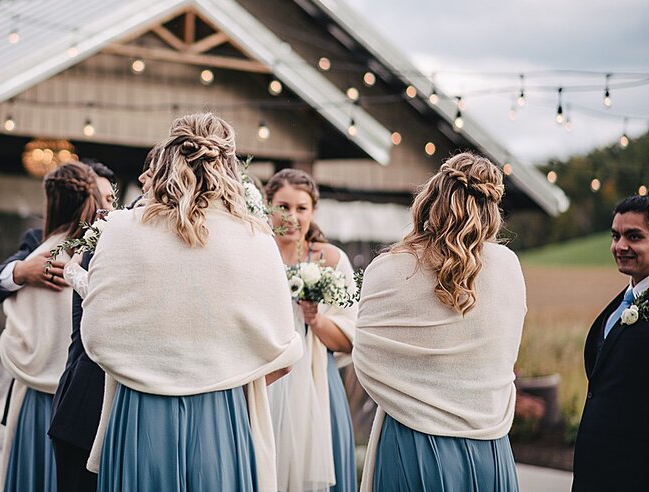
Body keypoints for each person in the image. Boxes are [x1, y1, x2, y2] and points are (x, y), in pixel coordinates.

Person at [81, 113, 302, 492]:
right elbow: (282, 353)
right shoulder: (255, 238)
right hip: (224, 415)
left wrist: (155, 369)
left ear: (166, 157)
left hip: (138, 411)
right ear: (230, 167)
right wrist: (222, 371)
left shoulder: (120, 228)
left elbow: (96, 336)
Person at [353, 152, 524, 492]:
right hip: (488, 443)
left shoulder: (389, 268)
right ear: (491, 209)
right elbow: (506, 354)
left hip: (409, 440)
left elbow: (367, 360)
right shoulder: (508, 266)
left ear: (430, 200)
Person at [49, 147, 159, 492]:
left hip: (138, 409)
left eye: (152, 171)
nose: (143, 179)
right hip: (87, 401)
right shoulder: (118, 228)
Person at [0, 161, 101, 492]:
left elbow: (15, 344)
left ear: (50, 203)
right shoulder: (97, 258)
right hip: (81, 403)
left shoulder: (38, 259)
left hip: (37, 406)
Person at [264, 169, 357, 492]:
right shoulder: (256, 255)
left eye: (301, 208)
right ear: (268, 207)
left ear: (313, 211)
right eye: (283, 206)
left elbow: (349, 341)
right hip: (266, 380)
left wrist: (316, 319)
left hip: (317, 385)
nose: (291, 216)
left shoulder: (331, 260)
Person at [572, 195, 649, 491]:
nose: (620, 246)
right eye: (615, 236)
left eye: (634, 236)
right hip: (596, 468)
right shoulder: (621, 303)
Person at [0, 160, 116, 304]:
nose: (108, 209)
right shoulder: (40, 242)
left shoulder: (117, 246)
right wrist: (20, 271)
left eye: (111, 201)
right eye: (99, 199)